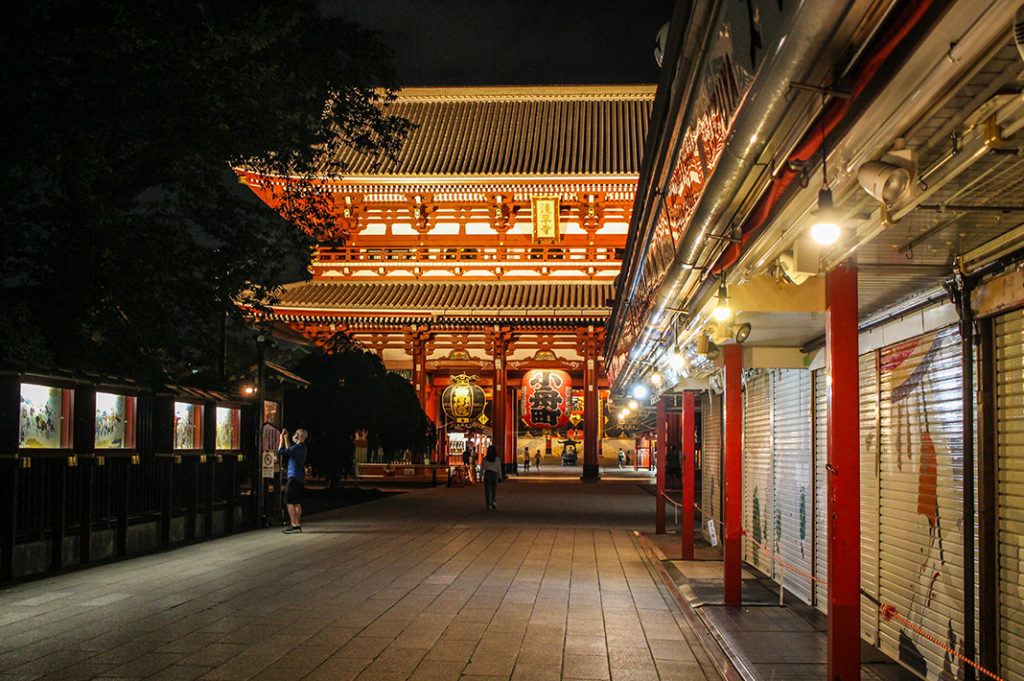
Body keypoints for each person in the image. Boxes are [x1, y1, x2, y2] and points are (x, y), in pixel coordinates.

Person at [279, 428, 308, 534]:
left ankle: (293, 524)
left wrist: (281, 439)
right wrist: (287, 438)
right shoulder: (302, 448)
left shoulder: (297, 447)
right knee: (297, 502)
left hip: (293, 476)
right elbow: (290, 450)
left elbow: (282, 451)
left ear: (300, 436)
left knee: (289, 501)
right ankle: (298, 524)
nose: (295, 435)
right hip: (300, 477)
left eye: (296, 434)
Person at [481, 444, 502, 510]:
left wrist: (480, 476)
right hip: (494, 474)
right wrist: (500, 476)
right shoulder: (497, 459)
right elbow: (499, 468)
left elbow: (482, 468)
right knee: (494, 489)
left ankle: (488, 504)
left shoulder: (485, 459)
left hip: (487, 474)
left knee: (487, 490)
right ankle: (493, 501)